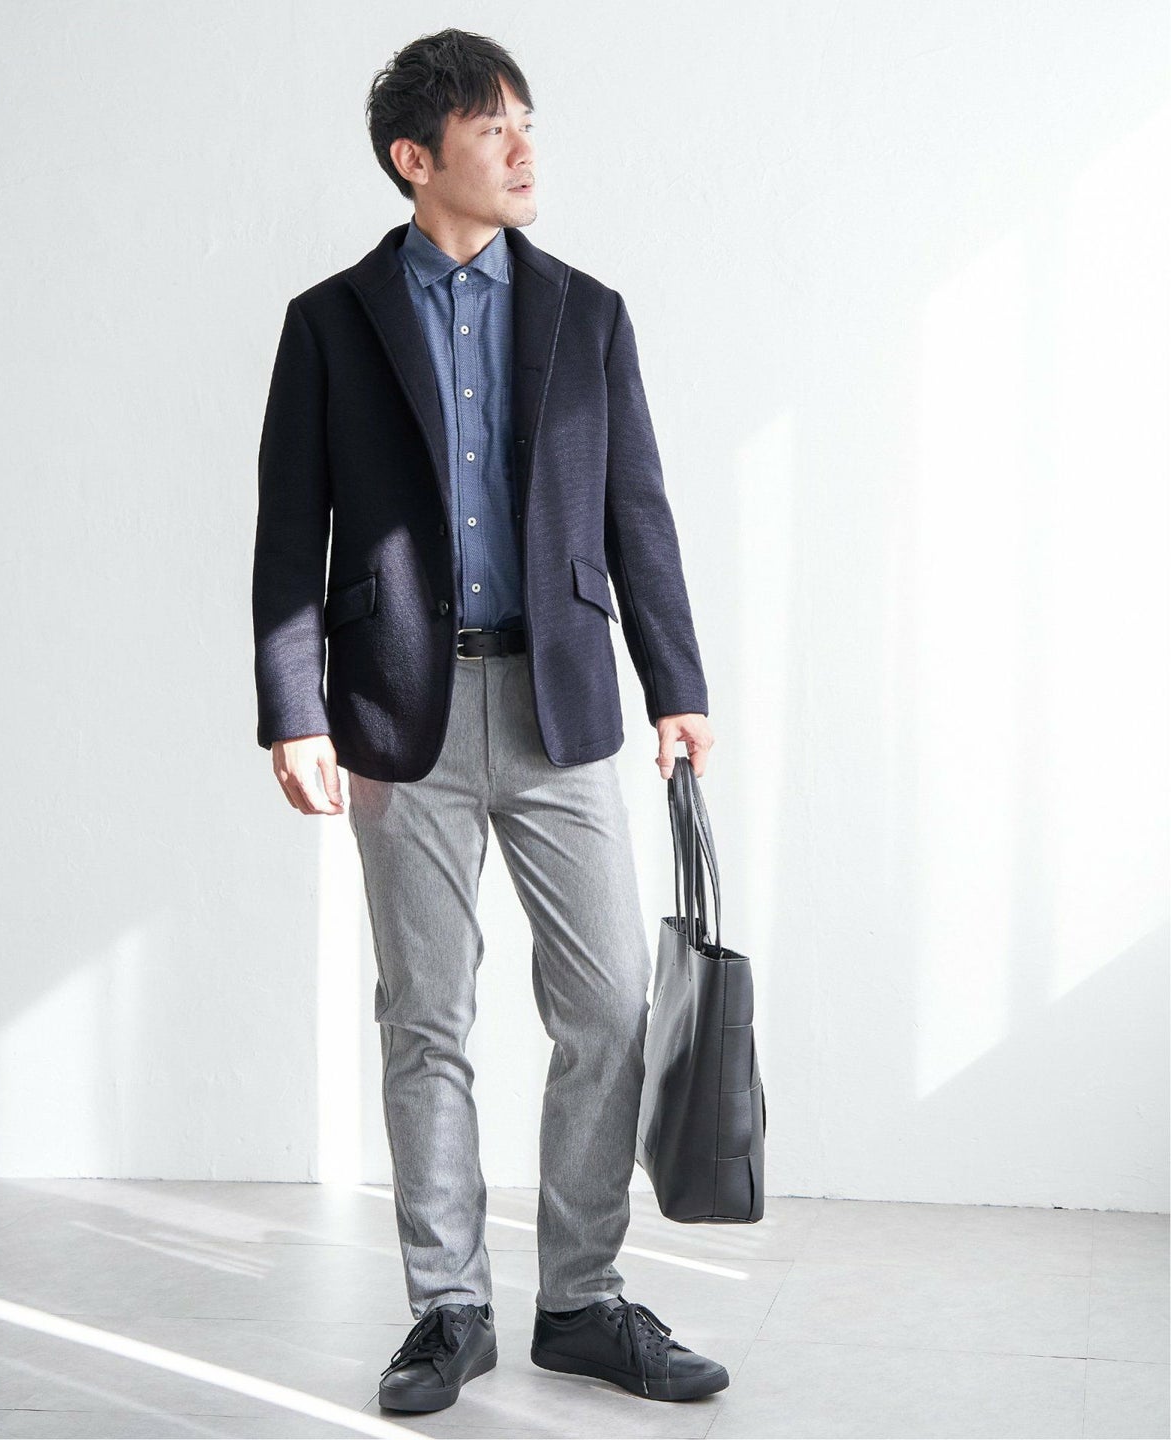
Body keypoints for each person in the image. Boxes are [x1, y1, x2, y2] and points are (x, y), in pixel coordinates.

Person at [251, 26, 724, 1414]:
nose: (523, 148)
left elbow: (637, 511)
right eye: (493, 127)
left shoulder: (588, 312)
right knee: (426, 1014)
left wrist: (679, 685)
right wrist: (291, 708)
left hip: (557, 699)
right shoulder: (330, 323)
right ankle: (447, 1308)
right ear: (417, 157)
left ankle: (582, 1298)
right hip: (394, 712)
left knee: (611, 1006)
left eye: (528, 121)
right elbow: (289, 532)